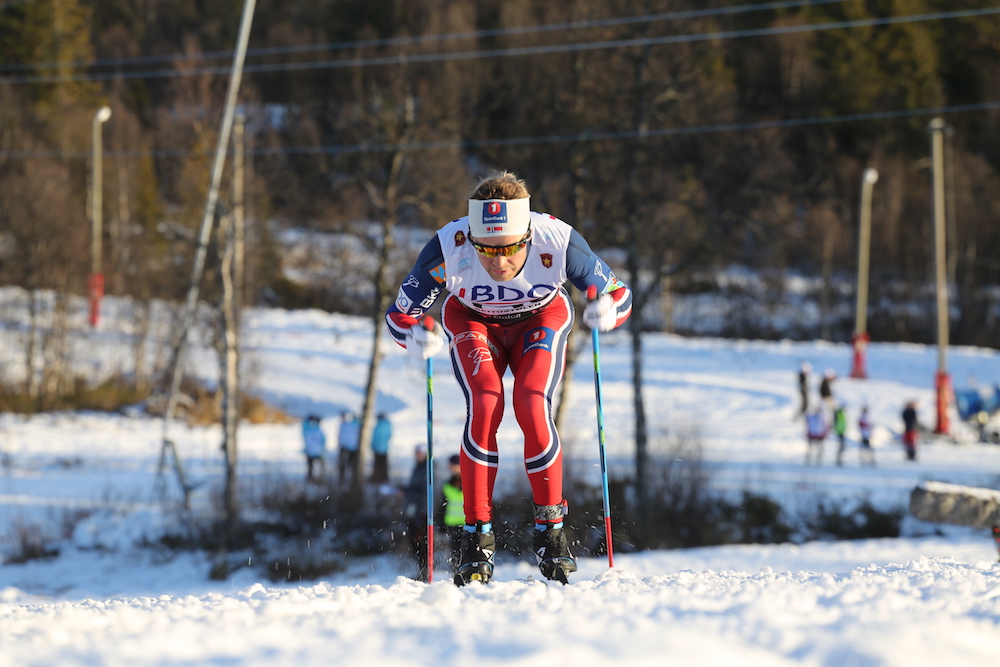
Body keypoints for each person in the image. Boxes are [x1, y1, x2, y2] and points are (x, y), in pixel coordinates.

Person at [385, 170, 632, 585]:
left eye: (511, 248)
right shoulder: (449, 247)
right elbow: (399, 316)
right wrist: (415, 333)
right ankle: (476, 537)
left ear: (528, 235)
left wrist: (607, 310)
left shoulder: (557, 240)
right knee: (485, 403)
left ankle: (551, 532)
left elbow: (620, 295)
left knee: (532, 403)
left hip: (540, 318)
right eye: (486, 249)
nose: (498, 262)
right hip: (473, 320)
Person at [402, 444, 429, 581]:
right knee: (414, 543)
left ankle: (426, 573)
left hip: (423, 513)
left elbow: (424, 493)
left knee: (422, 544)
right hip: (415, 512)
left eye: (419, 453)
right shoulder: (417, 468)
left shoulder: (428, 470)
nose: (417, 455)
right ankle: (422, 572)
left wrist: (407, 492)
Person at [441, 454, 465, 572]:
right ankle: (456, 572)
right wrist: (441, 524)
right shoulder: (447, 485)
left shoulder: (470, 482)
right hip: (453, 523)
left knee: (468, 551)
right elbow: (442, 506)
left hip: (468, 523)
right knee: (455, 552)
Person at [337, 411, 361, 484]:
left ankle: (344, 479)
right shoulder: (358, 425)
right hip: (353, 448)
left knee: (344, 465)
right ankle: (351, 480)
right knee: (350, 465)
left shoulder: (346, 425)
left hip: (346, 448)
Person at [301, 414, 327, 482]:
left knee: (313, 467)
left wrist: (307, 420)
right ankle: (317, 478)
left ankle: (318, 478)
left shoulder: (309, 430)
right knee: (314, 467)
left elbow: (324, 441)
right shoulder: (317, 431)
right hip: (315, 452)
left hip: (314, 452)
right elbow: (324, 441)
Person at [370, 413, 393, 484]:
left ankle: (377, 478)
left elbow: (375, 438)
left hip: (377, 448)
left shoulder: (378, 426)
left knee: (377, 464)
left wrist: (373, 446)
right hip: (385, 448)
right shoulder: (388, 425)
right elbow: (389, 436)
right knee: (384, 464)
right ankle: (384, 478)